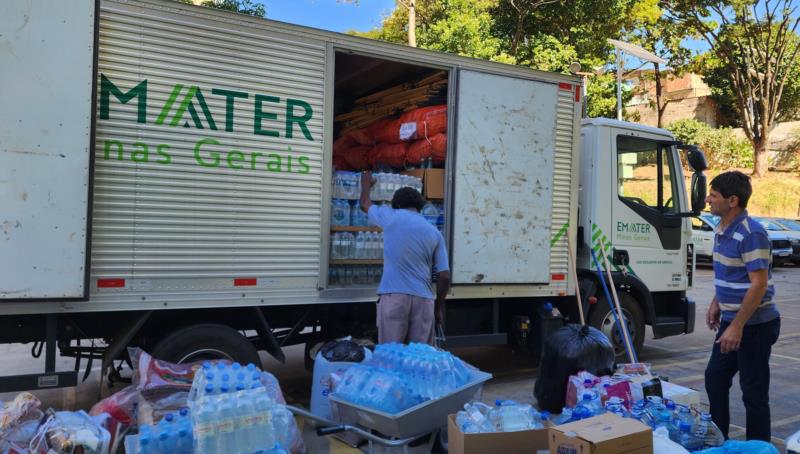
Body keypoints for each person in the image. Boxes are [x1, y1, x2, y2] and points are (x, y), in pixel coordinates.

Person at [704, 171, 781, 442]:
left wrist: (737, 325)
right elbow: (729, 273)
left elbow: (758, 284)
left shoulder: (751, 234)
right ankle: (719, 441)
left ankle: (760, 448)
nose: (708, 200)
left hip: (755, 325)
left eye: (713, 196)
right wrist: (717, 302)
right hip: (731, 320)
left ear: (732, 200)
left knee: (753, 393)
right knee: (715, 378)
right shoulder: (722, 228)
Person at [359, 170, 451, 344]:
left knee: (392, 357)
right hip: (424, 301)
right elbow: (444, 275)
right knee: (419, 360)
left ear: (397, 205)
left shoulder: (391, 216)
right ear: (419, 206)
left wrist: (365, 185)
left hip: (394, 298)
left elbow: (365, 204)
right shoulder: (434, 232)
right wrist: (437, 308)